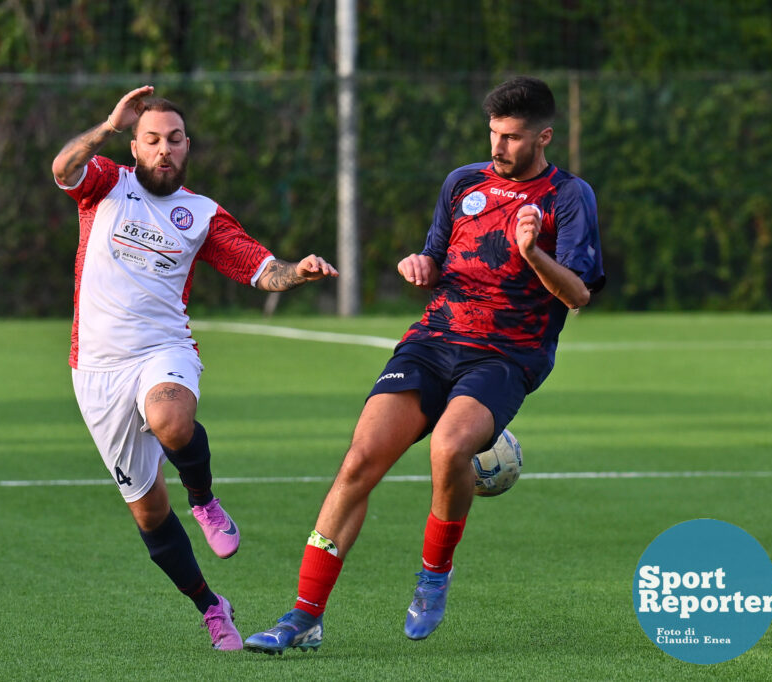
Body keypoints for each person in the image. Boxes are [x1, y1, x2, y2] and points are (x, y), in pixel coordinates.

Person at [244, 76, 604, 654]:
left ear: (544, 136)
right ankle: (303, 617)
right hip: (433, 340)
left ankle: (434, 574)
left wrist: (533, 253)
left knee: (448, 447)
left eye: (511, 138)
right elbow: (436, 255)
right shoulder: (463, 182)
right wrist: (421, 265)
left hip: (507, 353)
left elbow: (579, 295)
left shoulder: (568, 197)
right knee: (359, 461)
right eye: (493, 134)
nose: (498, 147)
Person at [51, 85, 338, 651]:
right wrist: (107, 126)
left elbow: (261, 268)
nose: (164, 149)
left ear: (188, 147)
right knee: (149, 514)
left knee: (171, 422)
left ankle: (204, 499)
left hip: (164, 350)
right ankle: (212, 606)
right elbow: (63, 168)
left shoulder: (201, 215)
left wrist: (297, 272)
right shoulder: (106, 183)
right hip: (96, 371)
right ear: (135, 146)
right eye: (152, 139)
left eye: (175, 140)